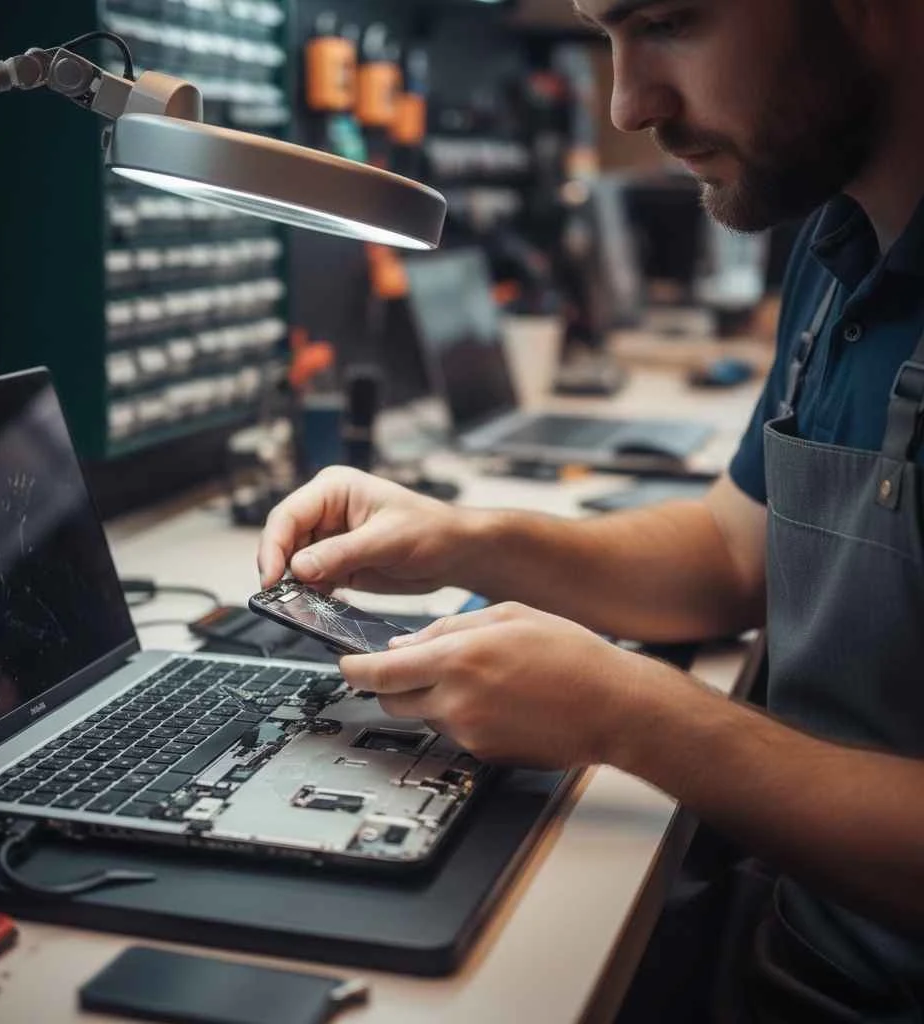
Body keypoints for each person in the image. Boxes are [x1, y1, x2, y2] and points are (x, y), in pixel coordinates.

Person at [258, 0, 924, 1018]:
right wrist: (458, 536)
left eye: (669, 21)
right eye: (606, 37)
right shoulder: (836, 242)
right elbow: (728, 551)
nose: (626, 104)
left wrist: (626, 711)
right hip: (794, 937)